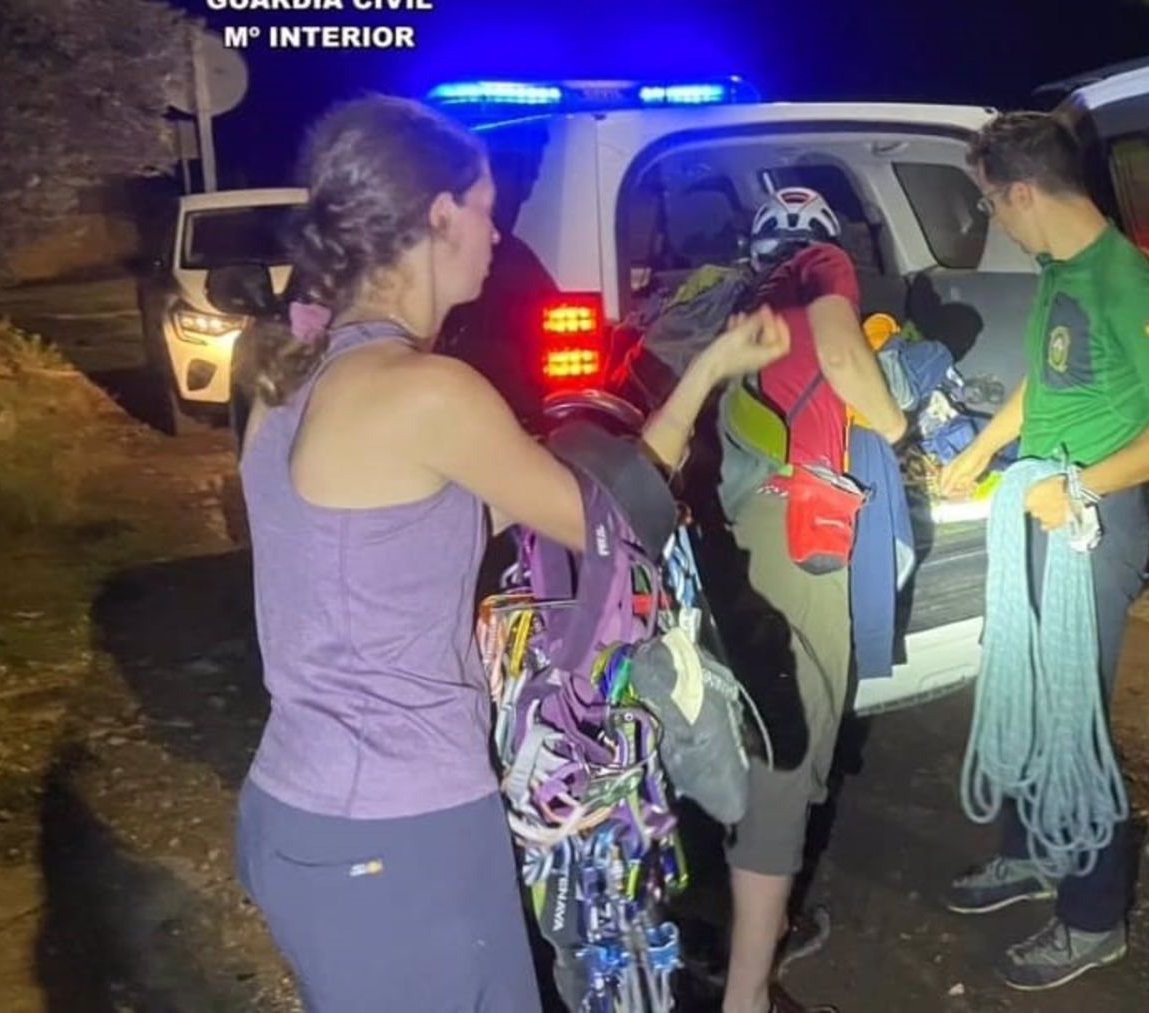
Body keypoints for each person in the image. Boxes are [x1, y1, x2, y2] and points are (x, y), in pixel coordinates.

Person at [230, 94, 788, 1012]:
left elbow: (438, 526)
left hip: (303, 809)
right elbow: (613, 521)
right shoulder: (425, 391)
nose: (500, 232)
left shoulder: (289, 369)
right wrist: (706, 375)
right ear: (438, 216)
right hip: (396, 831)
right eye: (488, 208)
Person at [938, 112, 1149, 992]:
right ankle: (1031, 852)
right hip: (1040, 499)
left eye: (993, 201)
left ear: (1022, 191)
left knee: (1073, 716)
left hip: (1086, 524)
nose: (996, 218)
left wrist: (1083, 486)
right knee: (1025, 681)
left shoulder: (1123, 282)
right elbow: (1048, 377)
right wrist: (984, 446)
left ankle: (1093, 915)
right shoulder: (1063, 270)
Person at [712, 186, 908, 1013]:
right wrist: (896, 424)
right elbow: (841, 356)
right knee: (787, 758)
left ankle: (760, 926)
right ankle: (747, 994)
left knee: (757, 736)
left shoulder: (747, 300)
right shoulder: (819, 268)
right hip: (799, 536)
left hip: (747, 531)